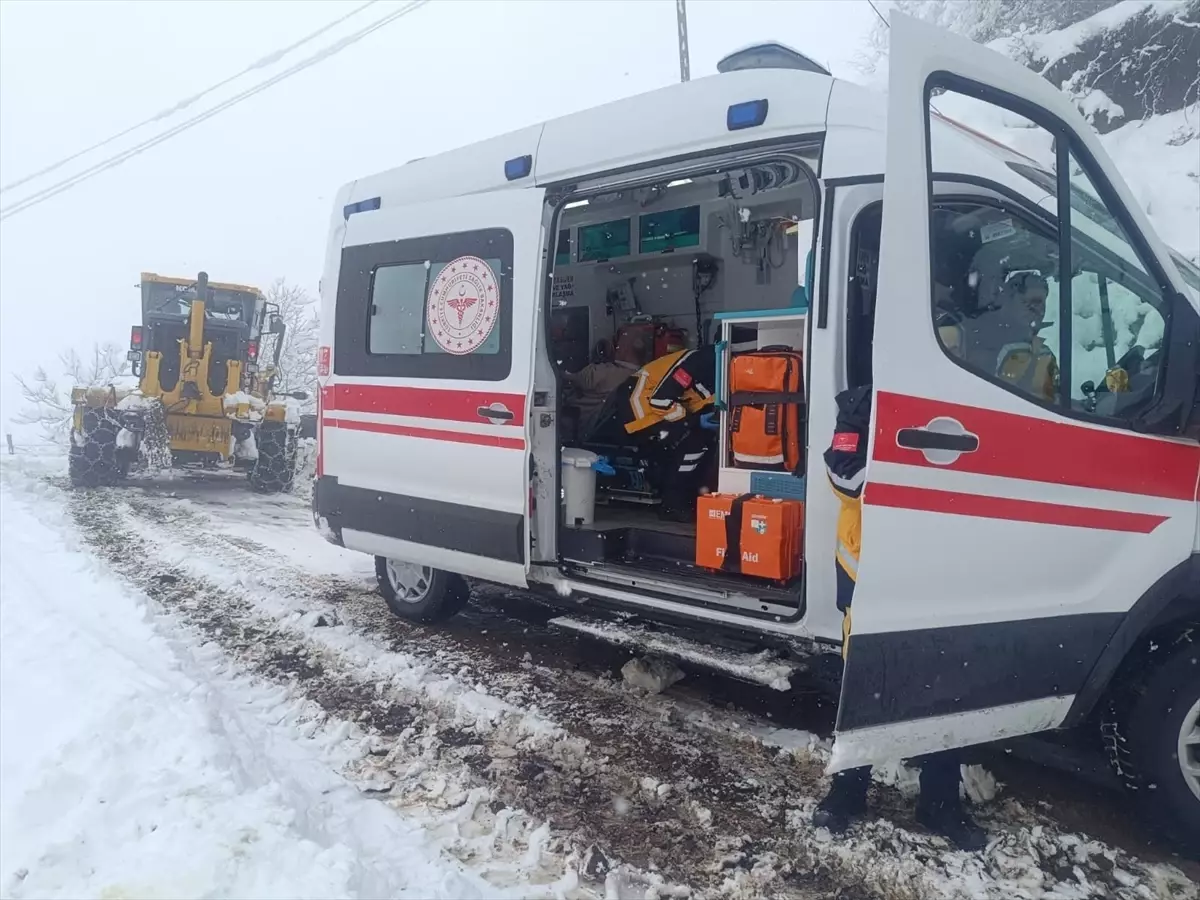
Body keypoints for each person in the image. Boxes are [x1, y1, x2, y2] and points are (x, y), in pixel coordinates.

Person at [812, 385, 989, 852]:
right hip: (872, 573)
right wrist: (918, 476)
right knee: (867, 690)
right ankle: (847, 794)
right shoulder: (860, 405)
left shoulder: (968, 399)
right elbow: (843, 476)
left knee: (947, 691)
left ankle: (940, 803)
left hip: (941, 569)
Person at [622, 345, 718, 520]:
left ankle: (684, 499)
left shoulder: (722, 367)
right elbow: (660, 401)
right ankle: (672, 505)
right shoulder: (700, 362)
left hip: (661, 412)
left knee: (703, 440)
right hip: (640, 410)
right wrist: (693, 422)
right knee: (696, 443)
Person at [939, 271, 1058, 403]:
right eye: (1029, 303)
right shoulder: (971, 333)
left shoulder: (1040, 350)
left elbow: (1050, 398)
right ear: (1006, 299)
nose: (1038, 311)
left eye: (1042, 303)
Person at [563, 332, 649, 439]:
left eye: (618, 344)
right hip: (605, 431)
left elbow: (575, 378)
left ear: (625, 351)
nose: (615, 346)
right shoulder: (641, 376)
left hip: (580, 426)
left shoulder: (606, 373)